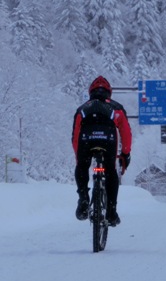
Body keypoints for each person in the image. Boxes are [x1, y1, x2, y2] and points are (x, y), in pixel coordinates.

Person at [71, 75, 132, 226]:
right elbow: (126, 133)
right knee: (110, 171)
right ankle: (111, 211)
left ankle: (84, 198)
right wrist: (125, 153)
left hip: (86, 140)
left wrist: (79, 159)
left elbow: (75, 136)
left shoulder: (82, 109)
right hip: (108, 141)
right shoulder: (116, 108)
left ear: (90, 92)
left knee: (82, 167)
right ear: (109, 92)